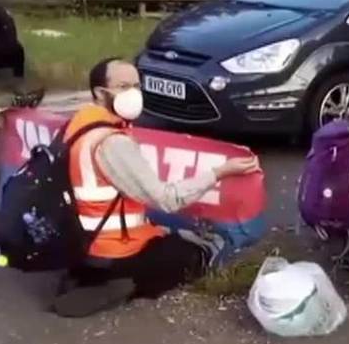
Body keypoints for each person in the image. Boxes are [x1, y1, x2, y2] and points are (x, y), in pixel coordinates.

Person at [52, 57, 260, 318]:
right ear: (100, 92)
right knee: (193, 254)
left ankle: (88, 274)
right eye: (123, 86)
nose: (133, 94)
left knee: (161, 230)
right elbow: (167, 199)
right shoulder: (112, 143)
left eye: (137, 85)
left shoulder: (80, 124)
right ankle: (124, 284)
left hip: (81, 243)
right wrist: (220, 172)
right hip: (113, 248)